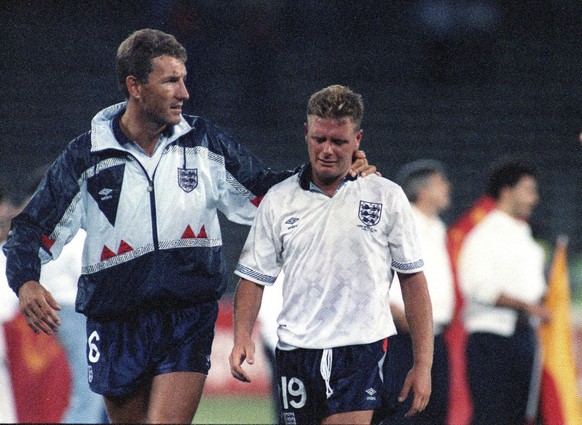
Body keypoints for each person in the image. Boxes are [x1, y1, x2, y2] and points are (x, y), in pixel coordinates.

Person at [3, 29, 374, 424]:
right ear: (136, 87)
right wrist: (25, 281)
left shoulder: (204, 144)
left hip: (186, 315)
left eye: (184, 79)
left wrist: (329, 174)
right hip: (115, 321)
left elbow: (267, 193)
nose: (185, 92)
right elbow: (29, 228)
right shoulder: (86, 157)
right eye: (170, 81)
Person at [229, 84, 433, 425]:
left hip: (360, 349)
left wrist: (422, 364)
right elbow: (252, 278)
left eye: (338, 141)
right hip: (296, 351)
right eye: (319, 138)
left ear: (357, 140)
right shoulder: (279, 200)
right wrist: (240, 337)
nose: (327, 149)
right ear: (306, 133)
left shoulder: (385, 196)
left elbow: (413, 281)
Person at [458, 158, 551, 425]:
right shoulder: (483, 235)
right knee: (492, 417)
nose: (534, 198)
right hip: (492, 340)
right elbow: (478, 287)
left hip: (524, 337)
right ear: (507, 191)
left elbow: (535, 289)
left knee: (521, 417)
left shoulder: (527, 237)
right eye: (529, 190)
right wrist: (528, 306)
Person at [374, 159, 454, 424]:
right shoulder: (400, 222)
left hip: (436, 336)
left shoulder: (439, 227)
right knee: (403, 410)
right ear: (422, 191)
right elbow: (375, 274)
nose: (448, 188)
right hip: (403, 336)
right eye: (440, 184)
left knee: (434, 411)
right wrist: (397, 312)